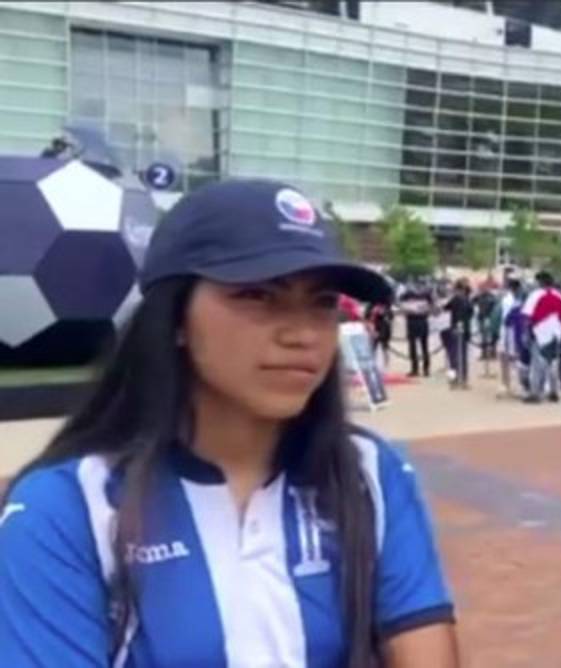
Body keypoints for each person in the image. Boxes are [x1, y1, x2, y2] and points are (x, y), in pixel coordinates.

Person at [0, 179, 459, 667]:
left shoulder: (371, 474)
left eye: (323, 302)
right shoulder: (70, 506)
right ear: (174, 316)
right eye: (257, 296)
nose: (302, 333)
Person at [522, 271, 561, 404]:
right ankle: (554, 391)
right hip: (556, 333)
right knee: (553, 363)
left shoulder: (535, 295)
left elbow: (527, 315)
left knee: (537, 364)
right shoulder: (560, 296)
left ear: (540, 282)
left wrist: (526, 333)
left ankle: (535, 393)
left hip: (539, 332)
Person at [399, 280, 434, 378]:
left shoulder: (408, 294)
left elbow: (400, 303)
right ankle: (426, 369)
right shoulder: (427, 294)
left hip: (413, 321)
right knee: (424, 346)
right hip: (422, 321)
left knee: (414, 346)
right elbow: (432, 307)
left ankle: (415, 369)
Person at [445, 279, 474, 389]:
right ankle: (464, 379)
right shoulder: (468, 300)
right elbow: (471, 313)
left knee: (453, 357)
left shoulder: (455, 299)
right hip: (465, 330)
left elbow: (445, 308)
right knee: (463, 356)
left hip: (455, 329)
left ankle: (453, 380)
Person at [498, 277, 524, 397]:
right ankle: (508, 384)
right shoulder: (510, 301)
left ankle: (508, 384)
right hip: (510, 332)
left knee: (509, 359)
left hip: (510, 332)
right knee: (509, 358)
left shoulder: (510, 300)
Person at [368, 300, 396, 369]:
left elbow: (391, 316)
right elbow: (367, 316)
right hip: (374, 328)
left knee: (385, 347)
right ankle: (371, 365)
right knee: (372, 347)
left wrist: (384, 313)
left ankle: (386, 366)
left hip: (385, 328)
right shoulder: (371, 304)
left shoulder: (387, 305)